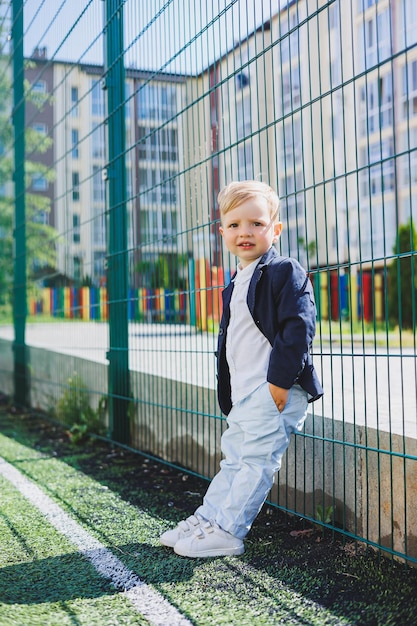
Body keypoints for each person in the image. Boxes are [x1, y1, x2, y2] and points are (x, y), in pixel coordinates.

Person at [160, 180, 323, 558]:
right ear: (222, 232)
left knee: (254, 462)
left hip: (273, 390)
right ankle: (209, 518)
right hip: (246, 393)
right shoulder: (235, 280)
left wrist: (279, 385)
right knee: (234, 458)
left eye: (256, 223)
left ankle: (229, 531)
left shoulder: (285, 271)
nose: (244, 232)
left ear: (275, 229)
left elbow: (298, 329)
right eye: (234, 225)